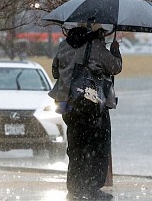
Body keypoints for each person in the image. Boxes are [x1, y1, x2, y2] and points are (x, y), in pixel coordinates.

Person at [48, 24, 122, 200]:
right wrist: (115, 51)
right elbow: (115, 67)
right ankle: (92, 188)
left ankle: (75, 187)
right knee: (97, 146)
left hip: (69, 104)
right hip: (92, 104)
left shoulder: (64, 45)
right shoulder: (96, 46)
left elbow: (55, 71)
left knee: (76, 146)